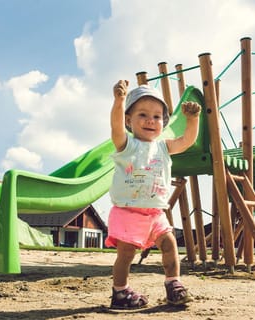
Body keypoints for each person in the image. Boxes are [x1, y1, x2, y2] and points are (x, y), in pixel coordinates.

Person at [106, 80, 201, 309]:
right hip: (129, 211)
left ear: (163, 122)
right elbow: (115, 128)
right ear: (129, 120)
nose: (151, 120)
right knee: (126, 254)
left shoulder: (163, 147)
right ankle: (120, 292)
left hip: (155, 213)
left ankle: (174, 285)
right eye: (143, 115)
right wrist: (119, 101)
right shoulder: (126, 144)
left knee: (169, 245)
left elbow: (187, 141)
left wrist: (193, 119)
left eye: (157, 117)